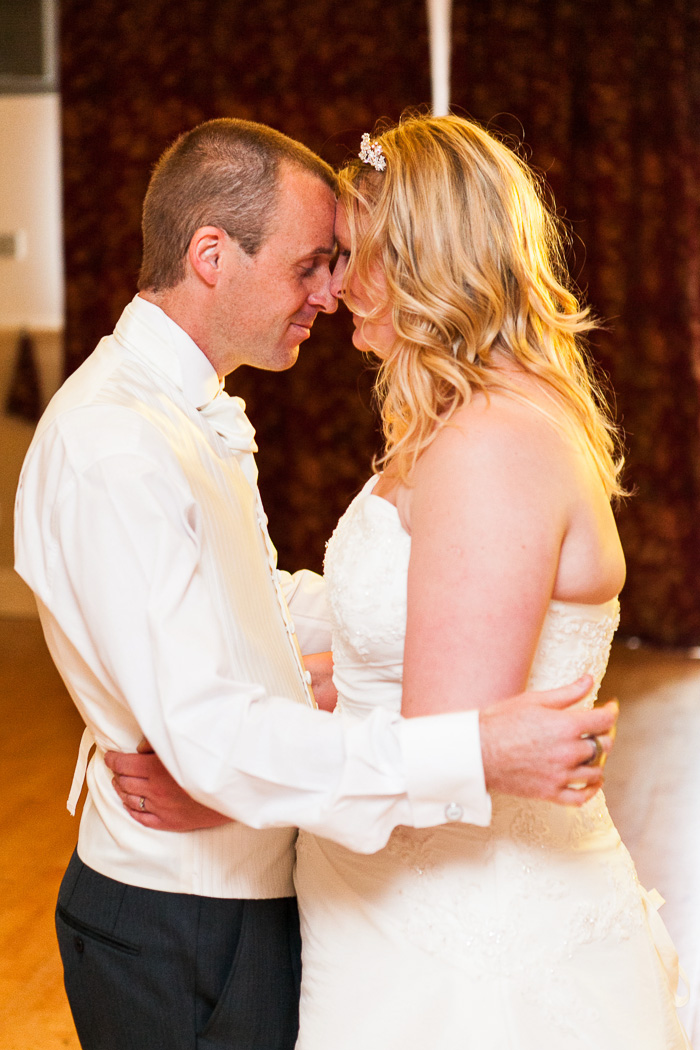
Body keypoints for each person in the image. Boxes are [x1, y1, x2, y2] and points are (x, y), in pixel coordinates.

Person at [15, 117, 619, 1050]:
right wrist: (453, 740)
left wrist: (350, 660)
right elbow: (209, 735)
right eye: (312, 263)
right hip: (183, 918)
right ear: (211, 255)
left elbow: (251, 601)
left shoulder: (187, 410)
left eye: (347, 260)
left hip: (272, 890)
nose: (332, 293)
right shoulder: (118, 443)